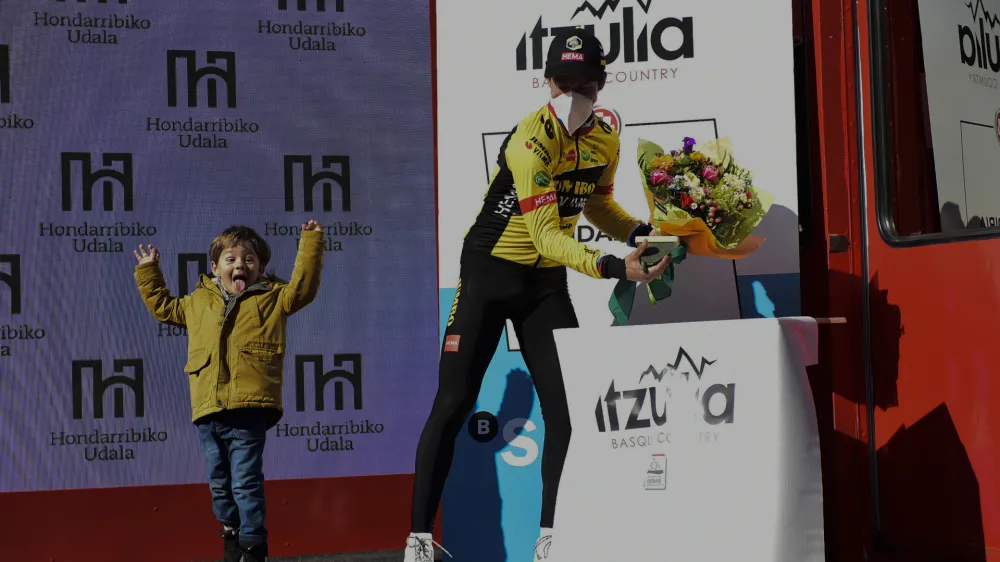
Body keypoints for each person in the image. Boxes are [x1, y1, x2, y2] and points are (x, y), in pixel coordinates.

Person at [404, 27, 670, 562]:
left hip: (544, 283)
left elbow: (595, 206)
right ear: (546, 82)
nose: (573, 93)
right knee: (454, 401)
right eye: (563, 82)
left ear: (602, 84)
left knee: (568, 411)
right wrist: (614, 264)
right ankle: (417, 540)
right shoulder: (531, 139)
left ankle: (552, 537)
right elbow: (547, 233)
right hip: (490, 271)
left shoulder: (605, 139)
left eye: (585, 83)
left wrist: (640, 232)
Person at [132, 222, 325, 562]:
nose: (240, 265)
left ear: (260, 268)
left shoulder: (273, 298)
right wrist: (149, 271)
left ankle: (253, 543)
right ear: (215, 267)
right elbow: (163, 307)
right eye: (231, 258)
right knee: (219, 484)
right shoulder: (198, 303)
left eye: (249, 260)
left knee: (245, 482)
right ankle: (232, 533)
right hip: (208, 410)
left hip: (248, 408)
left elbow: (303, 289)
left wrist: (310, 243)